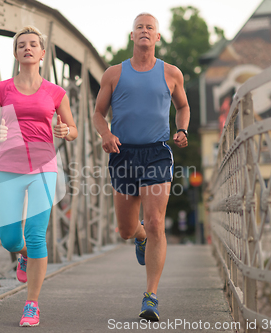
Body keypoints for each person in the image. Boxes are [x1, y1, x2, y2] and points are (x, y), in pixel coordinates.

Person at [93, 13, 190, 321]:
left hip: (157, 154)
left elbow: (183, 106)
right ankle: (139, 236)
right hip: (123, 154)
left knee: (156, 221)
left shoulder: (171, 73)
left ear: (157, 37)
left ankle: (151, 297)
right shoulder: (114, 73)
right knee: (125, 229)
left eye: (150, 28)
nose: (145, 31)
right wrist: (106, 134)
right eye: (140, 27)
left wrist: (182, 129)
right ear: (132, 36)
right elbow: (98, 113)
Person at [0, 26, 78, 327]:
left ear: (41, 53)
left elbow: (72, 130)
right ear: (15, 54)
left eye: (33, 44)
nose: (27, 48)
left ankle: (31, 304)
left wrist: (66, 131)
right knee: (11, 240)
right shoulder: (0, 90)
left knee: (37, 235)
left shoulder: (55, 92)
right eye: (21, 44)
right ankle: (22, 255)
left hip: (43, 168)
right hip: (8, 167)